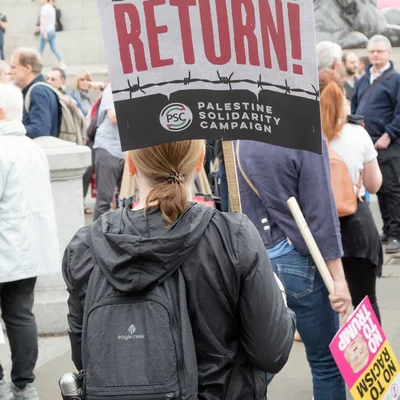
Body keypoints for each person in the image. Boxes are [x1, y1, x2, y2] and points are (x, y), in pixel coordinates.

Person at [62, 140, 295, 399]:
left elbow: (85, 355)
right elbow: (270, 353)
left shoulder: (84, 248)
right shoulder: (233, 237)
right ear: (199, 162)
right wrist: (277, 295)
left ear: (130, 164)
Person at [236, 139, 352, 400]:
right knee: (325, 363)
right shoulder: (304, 134)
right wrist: (339, 278)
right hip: (298, 258)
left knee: (254, 364)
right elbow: (321, 212)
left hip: (255, 258)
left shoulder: (240, 137)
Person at [0, 84, 60, 400]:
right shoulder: (32, 148)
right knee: (22, 315)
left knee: (18, 316)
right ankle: (24, 384)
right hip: (27, 249)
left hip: (5, 245)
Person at [319, 69, 383, 321]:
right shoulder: (358, 133)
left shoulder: (302, 137)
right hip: (357, 226)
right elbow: (374, 184)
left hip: (318, 228)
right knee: (366, 302)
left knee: (325, 309)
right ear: (343, 96)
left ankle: (333, 361)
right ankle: (372, 360)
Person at [352, 35, 400, 254]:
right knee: (377, 187)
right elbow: (354, 107)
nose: (375, 55)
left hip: (388, 144)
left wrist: (389, 134)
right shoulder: (364, 79)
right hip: (367, 143)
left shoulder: (395, 79)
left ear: (388, 53)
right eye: (372, 51)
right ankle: (387, 229)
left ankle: (396, 234)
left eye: (379, 51)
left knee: (392, 189)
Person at [10, 47, 59, 139]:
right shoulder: (40, 89)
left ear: (28, 68)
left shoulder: (37, 91)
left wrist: (10, 128)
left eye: (13, 67)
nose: (10, 71)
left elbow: (40, 131)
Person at [92, 83, 124, 220]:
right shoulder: (112, 87)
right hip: (108, 147)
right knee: (104, 199)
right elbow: (113, 117)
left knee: (125, 200)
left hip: (128, 151)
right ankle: (96, 237)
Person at [38, 0, 65, 66]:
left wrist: (44, 31)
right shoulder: (52, 8)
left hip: (46, 31)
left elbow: (44, 20)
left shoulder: (43, 8)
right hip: (52, 30)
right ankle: (61, 62)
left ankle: (38, 65)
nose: (40, 0)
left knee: (40, 49)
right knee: (54, 48)